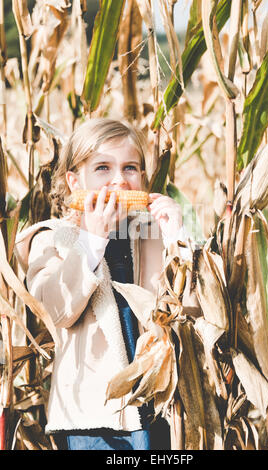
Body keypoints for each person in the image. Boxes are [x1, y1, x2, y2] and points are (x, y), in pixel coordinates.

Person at [15, 118, 189, 451]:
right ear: (74, 180)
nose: (119, 181)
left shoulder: (153, 235)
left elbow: (189, 312)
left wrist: (178, 241)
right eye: (103, 168)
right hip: (94, 420)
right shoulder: (52, 239)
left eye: (130, 168)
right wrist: (91, 241)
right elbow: (54, 308)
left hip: (158, 409)